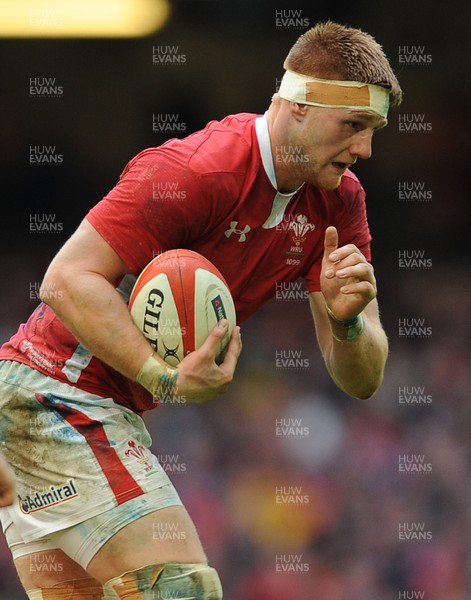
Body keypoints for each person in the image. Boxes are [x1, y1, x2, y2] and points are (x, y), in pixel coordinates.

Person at [0, 21, 401, 600]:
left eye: (373, 131)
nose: (364, 150)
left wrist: (345, 322)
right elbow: (65, 280)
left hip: (62, 410)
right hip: (55, 395)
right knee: (182, 590)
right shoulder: (197, 170)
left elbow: (361, 378)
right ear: (294, 106)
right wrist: (164, 376)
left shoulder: (340, 201)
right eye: (353, 125)